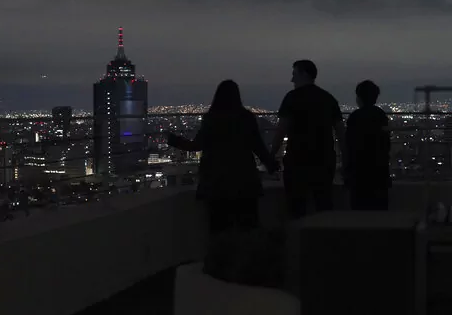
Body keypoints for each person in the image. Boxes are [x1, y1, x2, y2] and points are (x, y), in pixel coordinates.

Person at [168, 80, 278, 235]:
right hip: (244, 180)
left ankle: (221, 258)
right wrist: (271, 165)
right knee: (249, 228)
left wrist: (174, 140)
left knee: (219, 230)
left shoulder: (212, 119)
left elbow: (196, 145)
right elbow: (258, 147)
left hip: (216, 183)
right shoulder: (246, 118)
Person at [271, 60, 346, 219]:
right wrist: (346, 159)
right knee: (324, 205)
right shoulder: (328, 98)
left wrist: (271, 155)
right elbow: (341, 133)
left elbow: (280, 130)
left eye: (294, 74)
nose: (292, 80)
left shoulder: (291, 98)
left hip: (297, 160)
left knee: (296, 208)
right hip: (324, 160)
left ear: (304, 74)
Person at [345, 80, 391, 210]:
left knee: (359, 208)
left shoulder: (355, 117)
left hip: (359, 170)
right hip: (379, 169)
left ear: (358, 97)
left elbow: (350, 144)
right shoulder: (381, 115)